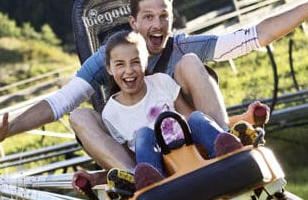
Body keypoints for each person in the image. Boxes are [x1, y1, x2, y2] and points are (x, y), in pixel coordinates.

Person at [0, 0, 308, 187]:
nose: (157, 25)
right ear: (134, 22)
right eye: (149, 18)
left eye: (164, 17)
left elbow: (256, 35)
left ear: (171, 18)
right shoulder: (109, 60)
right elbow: (59, 102)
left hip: (192, 136)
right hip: (139, 150)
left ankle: (222, 145)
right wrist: (10, 129)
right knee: (79, 115)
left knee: (190, 64)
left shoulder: (181, 46)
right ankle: (135, 178)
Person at [98, 30, 244, 191]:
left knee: (196, 117)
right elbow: (127, 157)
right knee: (143, 135)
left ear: (145, 62)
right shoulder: (111, 114)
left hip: (188, 146)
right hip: (158, 161)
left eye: (135, 62)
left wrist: (202, 127)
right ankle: (151, 179)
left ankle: (225, 150)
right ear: (109, 69)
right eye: (120, 64)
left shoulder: (161, 81)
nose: (129, 70)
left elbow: (186, 116)